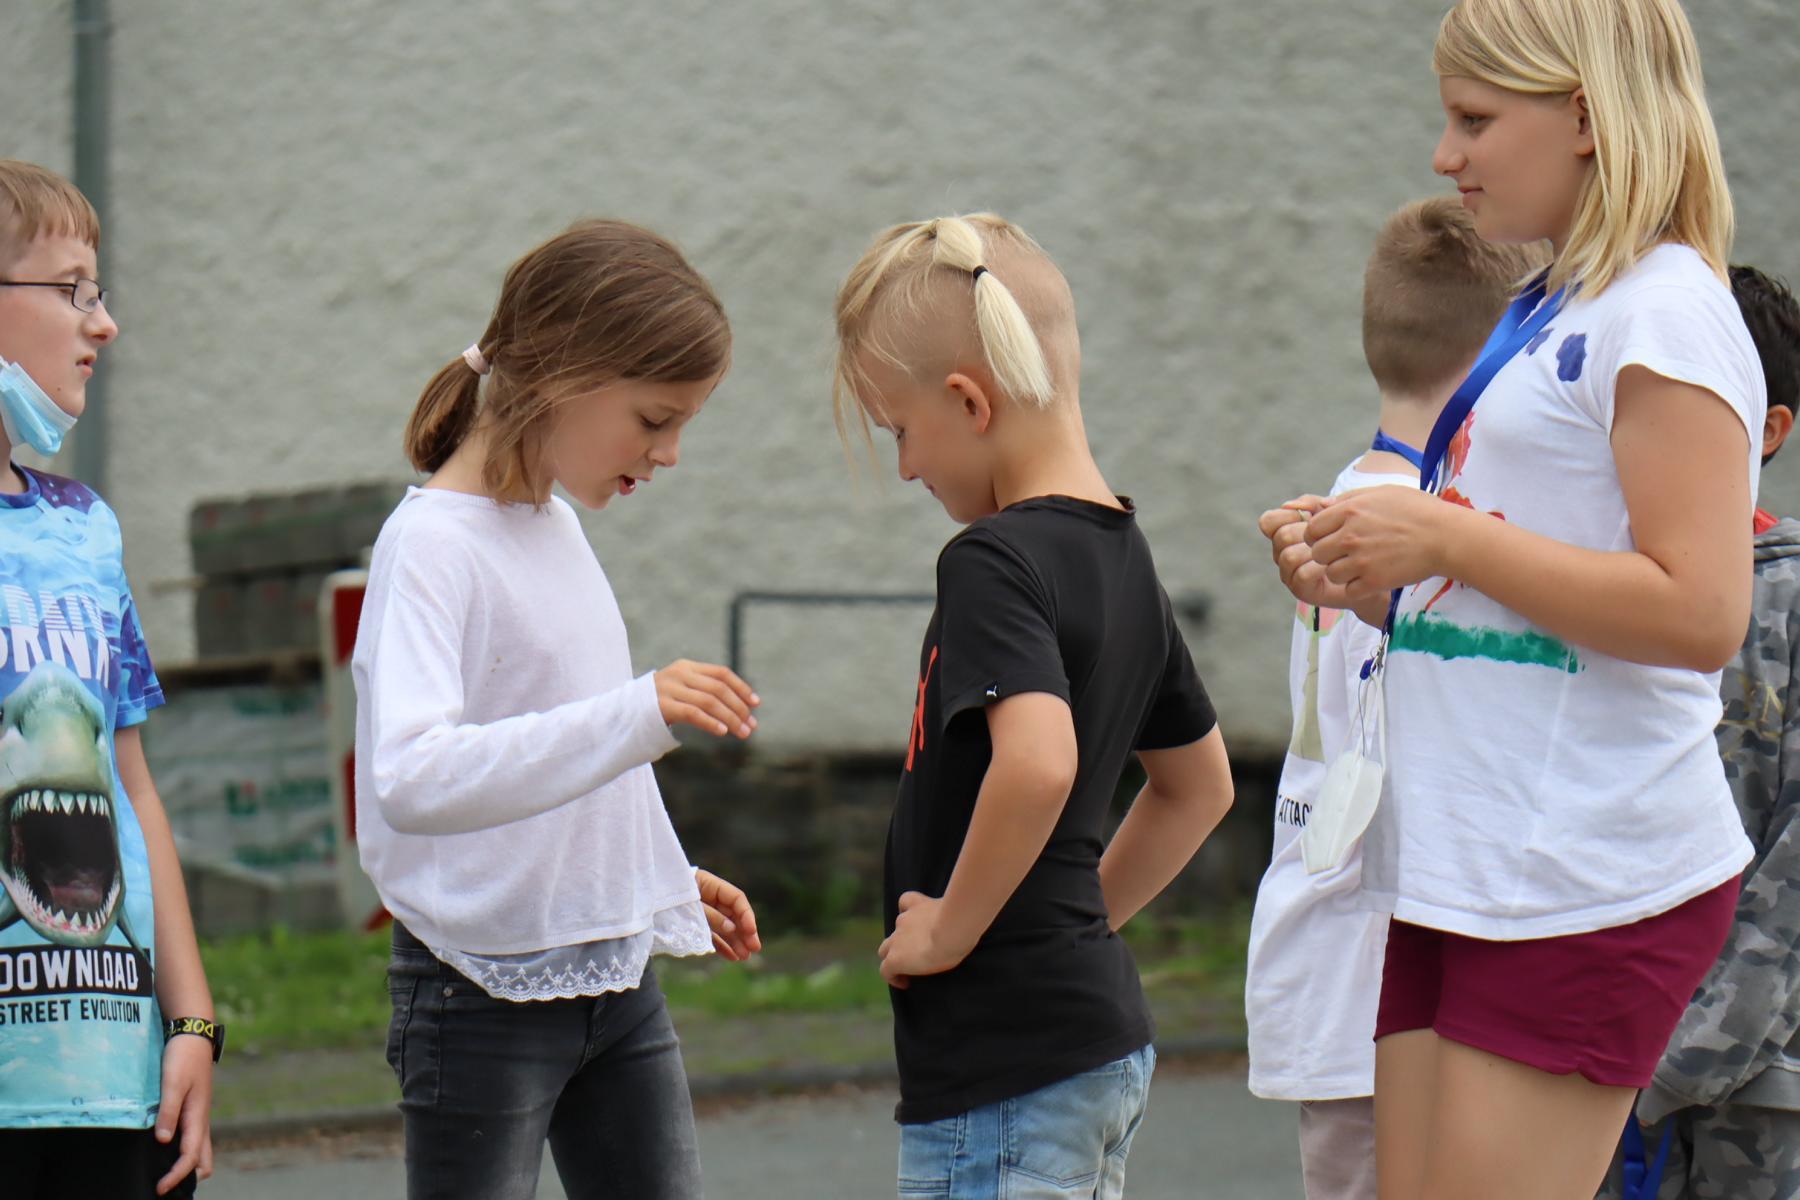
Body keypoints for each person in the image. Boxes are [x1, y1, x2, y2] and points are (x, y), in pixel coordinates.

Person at [1258, 1, 1765, 1195]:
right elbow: (1515, 600)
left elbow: (1702, 613)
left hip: (1577, 871)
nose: (1447, 156)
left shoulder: (1666, 311)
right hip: (1475, 864)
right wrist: (1369, 576)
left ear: (1585, 116)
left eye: (1475, 120)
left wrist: (1444, 535)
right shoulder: (1556, 308)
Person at [354, 219, 764, 1200]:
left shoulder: (557, 526)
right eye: (655, 419)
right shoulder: (431, 548)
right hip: (476, 996)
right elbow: (412, 777)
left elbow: (561, 746)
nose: (670, 453)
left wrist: (648, 876)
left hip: (615, 985)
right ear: (562, 376)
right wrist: (637, 712)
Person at [832, 211, 1236, 1199]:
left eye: (901, 432)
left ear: (969, 401)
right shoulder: (1123, 554)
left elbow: (1039, 761)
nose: (906, 467)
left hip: (1004, 1069)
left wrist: (951, 932)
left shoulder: (993, 561)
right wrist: (1078, 926)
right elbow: (1201, 787)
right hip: (1086, 1045)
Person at [1244, 194, 1544, 1200]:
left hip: (1340, 980)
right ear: (1503, 355)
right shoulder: (1422, 533)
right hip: (1385, 988)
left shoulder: (1348, 501)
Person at [0, 159, 214, 1198]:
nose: (105, 322)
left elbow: (133, 789)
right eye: (72, 289)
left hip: (113, 1083)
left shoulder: (86, 529)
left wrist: (192, 1022)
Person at [1596, 265, 1800, 1199]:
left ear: (1769, 429)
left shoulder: (1785, 598)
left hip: (1761, 1091)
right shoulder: (1589, 583)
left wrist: (1680, 1063)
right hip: (1592, 1062)